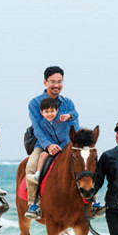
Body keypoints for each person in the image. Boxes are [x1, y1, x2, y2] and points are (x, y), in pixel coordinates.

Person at [24, 66, 79, 219]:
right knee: (31, 166)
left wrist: (68, 146)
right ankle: (33, 204)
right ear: (45, 82)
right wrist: (48, 145)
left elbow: (76, 126)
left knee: (86, 163)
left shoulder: (68, 103)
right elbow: (37, 129)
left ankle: (92, 202)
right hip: (43, 144)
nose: (56, 85)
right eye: (53, 81)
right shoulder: (35, 103)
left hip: (66, 144)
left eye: (60, 81)